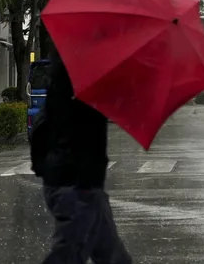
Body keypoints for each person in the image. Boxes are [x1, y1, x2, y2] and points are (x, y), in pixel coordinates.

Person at [30, 52, 132, 264]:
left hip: (82, 183)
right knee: (68, 255)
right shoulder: (79, 80)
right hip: (76, 183)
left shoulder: (72, 74)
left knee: (112, 254)